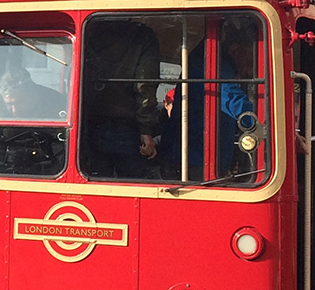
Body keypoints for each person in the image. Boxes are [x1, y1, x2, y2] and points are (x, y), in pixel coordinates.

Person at [160, 22, 256, 180]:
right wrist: (271, 126)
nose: (249, 71)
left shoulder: (213, 61)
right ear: (236, 50)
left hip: (195, 155)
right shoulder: (213, 63)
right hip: (193, 157)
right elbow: (233, 101)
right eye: (249, 62)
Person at [81, 20, 162, 178]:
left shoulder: (91, 30)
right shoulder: (143, 35)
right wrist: (146, 130)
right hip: (128, 125)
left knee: (96, 182)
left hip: (89, 122)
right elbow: (145, 84)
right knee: (132, 183)